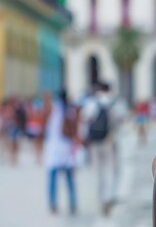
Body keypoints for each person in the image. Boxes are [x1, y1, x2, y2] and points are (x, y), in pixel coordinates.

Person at [80, 81, 128, 216]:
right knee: (110, 169)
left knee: (98, 169)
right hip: (110, 141)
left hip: (94, 141)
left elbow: (85, 120)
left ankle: (101, 197)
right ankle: (108, 197)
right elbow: (122, 120)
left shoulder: (91, 102)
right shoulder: (115, 102)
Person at [42, 90, 77, 214]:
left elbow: (44, 119)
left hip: (54, 147)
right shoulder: (70, 110)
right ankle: (73, 203)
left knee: (52, 178)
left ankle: (53, 203)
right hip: (66, 148)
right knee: (69, 179)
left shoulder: (54, 108)